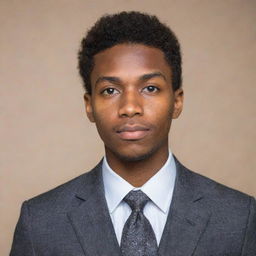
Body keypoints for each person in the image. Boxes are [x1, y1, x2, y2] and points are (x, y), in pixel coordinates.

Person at [10, 11, 256, 256]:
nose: (129, 107)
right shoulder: (40, 223)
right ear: (89, 106)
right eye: (109, 90)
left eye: (150, 88)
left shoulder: (239, 217)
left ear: (177, 102)